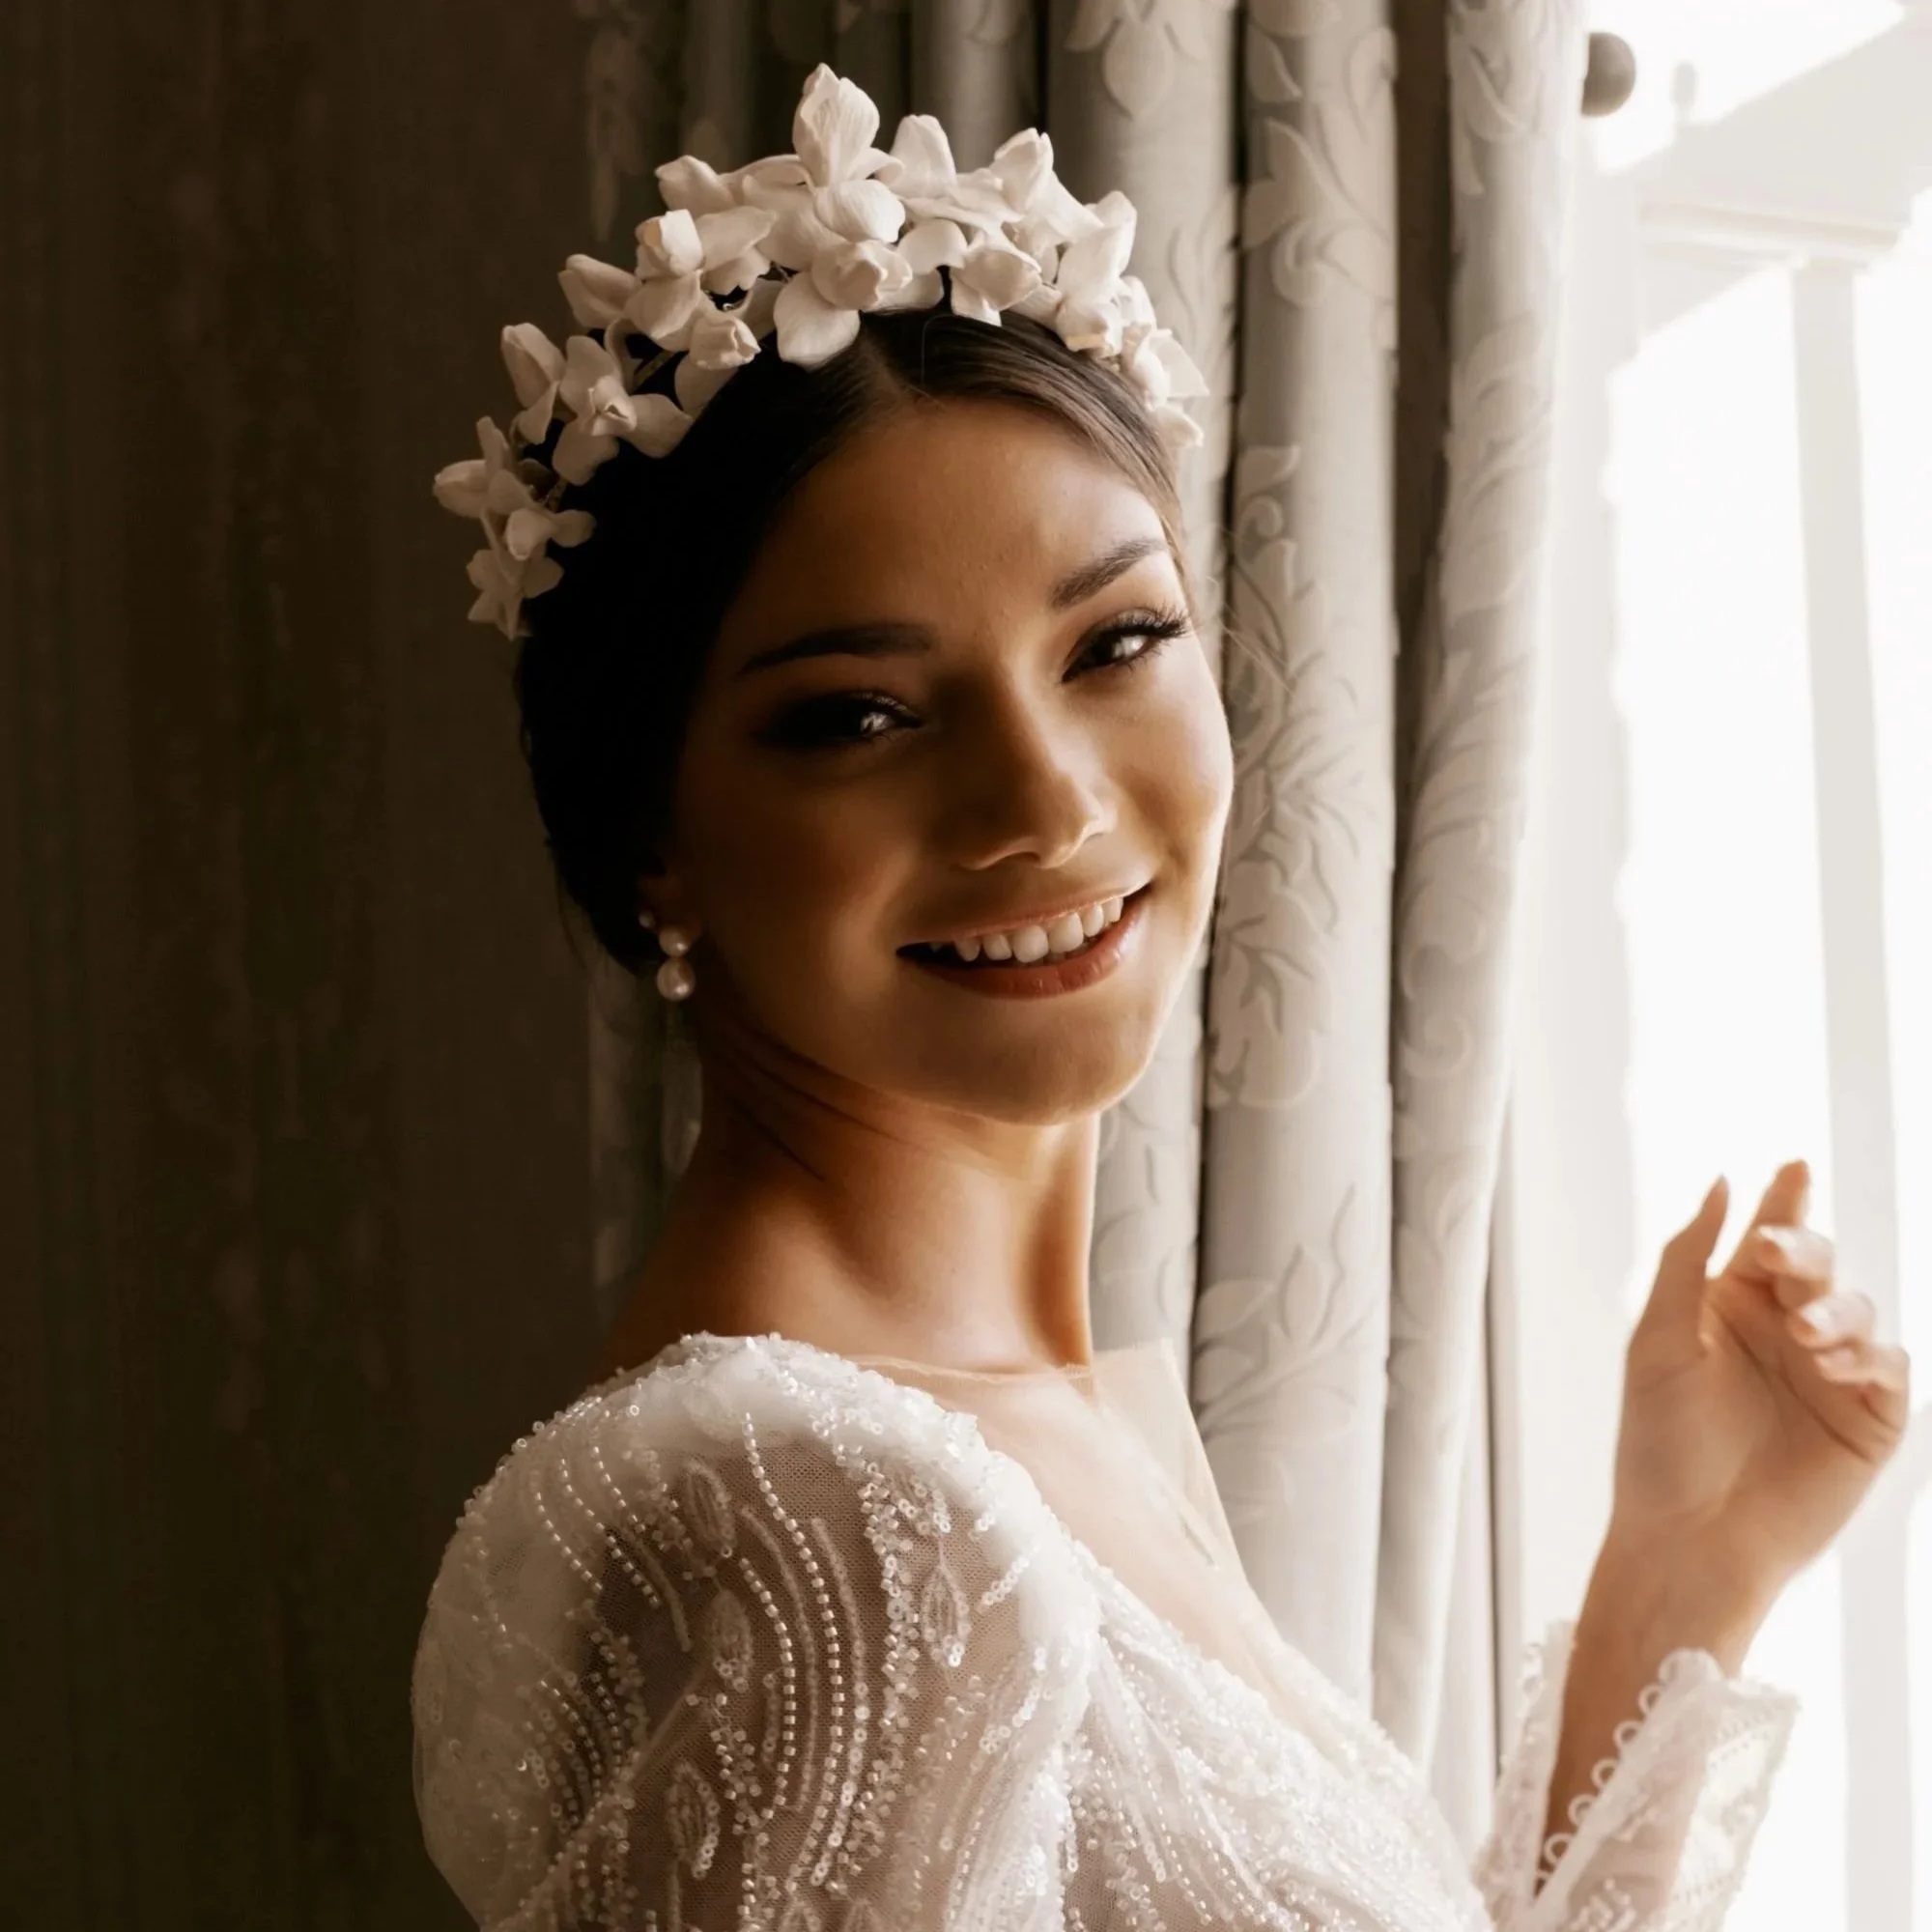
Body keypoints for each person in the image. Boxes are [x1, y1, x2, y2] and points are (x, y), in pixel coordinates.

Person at [411, 65, 1912, 1931]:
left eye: (1116, 643)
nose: (1044, 799)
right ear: (657, 841)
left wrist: (1685, 1576)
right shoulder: (825, 1525)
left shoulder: (1028, 1437)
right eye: (862, 715)